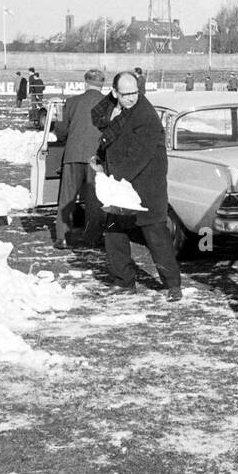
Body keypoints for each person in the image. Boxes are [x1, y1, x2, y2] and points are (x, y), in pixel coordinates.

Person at [91, 71, 182, 300]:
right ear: (115, 93)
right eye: (126, 94)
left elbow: (136, 158)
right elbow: (97, 117)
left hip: (145, 188)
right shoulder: (120, 109)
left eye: (135, 92)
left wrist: (108, 174)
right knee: (114, 234)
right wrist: (101, 160)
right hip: (123, 186)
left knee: (156, 237)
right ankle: (124, 282)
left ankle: (173, 285)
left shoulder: (145, 117)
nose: (131, 98)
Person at [53, 68, 107, 249]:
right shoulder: (109, 105)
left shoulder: (71, 102)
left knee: (67, 197)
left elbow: (60, 131)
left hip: (73, 154)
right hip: (97, 157)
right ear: (102, 84)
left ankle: (62, 237)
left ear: (85, 83)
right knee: (94, 198)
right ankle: (92, 237)